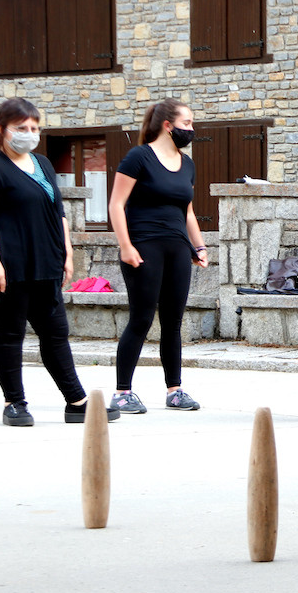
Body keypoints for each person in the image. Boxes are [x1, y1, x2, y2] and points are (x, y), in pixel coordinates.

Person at [0, 98, 116, 426]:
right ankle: (14, 404)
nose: (29, 133)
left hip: (44, 263)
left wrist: (66, 251)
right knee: (10, 333)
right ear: (2, 130)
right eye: (21, 128)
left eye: (34, 128)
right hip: (8, 266)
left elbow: (57, 211)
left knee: (55, 333)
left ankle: (77, 402)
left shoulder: (42, 164)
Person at [108, 98, 210, 414]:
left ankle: (174, 390)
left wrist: (200, 246)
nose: (191, 129)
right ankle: (122, 391)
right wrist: (126, 246)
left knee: (173, 322)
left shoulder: (188, 165)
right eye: (187, 123)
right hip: (144, 247)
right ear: (168, 125)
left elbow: (188, 212)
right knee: (141, 318)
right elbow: (116, 204)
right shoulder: (139, 157)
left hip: (178, 249)